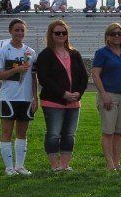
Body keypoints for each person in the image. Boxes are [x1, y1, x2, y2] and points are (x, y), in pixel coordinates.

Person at [34, 20, 88, 172]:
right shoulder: (45, 55)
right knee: (53, 134)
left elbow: (83, 77)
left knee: (69, 134)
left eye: (64, 33)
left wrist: (78, 93)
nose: (61, 35)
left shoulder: (74, 54)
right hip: (53, 102)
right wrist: (63, 94)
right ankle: (54, 166)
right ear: (51, 35)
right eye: (57, 33)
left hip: (74, 102)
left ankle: (65, 165)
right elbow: (44, 79)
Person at [0, 19, 37, 176]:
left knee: (22, 133)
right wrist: (16, 70)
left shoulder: (30, 53)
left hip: (26, 99)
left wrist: (35, 98)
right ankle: (9, 167)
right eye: (17, 30)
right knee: (6, 132)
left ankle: (20, 166)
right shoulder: (4, 52)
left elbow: (33, 77)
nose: (20, 33)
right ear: (10, 31)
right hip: (8, 97)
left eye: (22, 30)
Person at [91, 23, 121, 171]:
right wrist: (104, 95)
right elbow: (95, 75)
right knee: (108, 131)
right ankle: (110, 164)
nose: (117, 36)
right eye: (113, 33)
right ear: (107, 36)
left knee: (119, 132)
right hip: (109, 95)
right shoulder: (102, 53)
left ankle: (117, 162)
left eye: (119, 33)